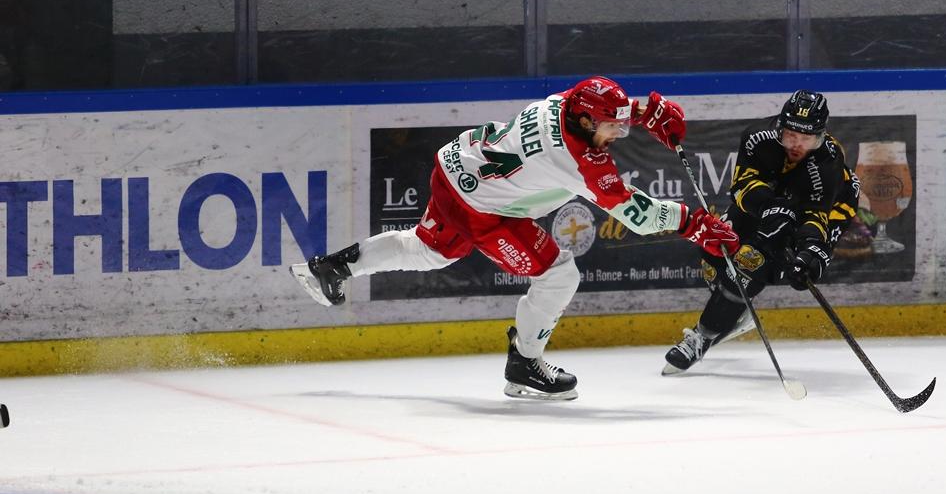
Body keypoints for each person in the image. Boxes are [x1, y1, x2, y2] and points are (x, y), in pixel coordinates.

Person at [291, 76, 739, 401]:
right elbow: (634, 213)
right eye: (611, 128)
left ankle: (334, 267)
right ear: (586, 121)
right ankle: (525, 363)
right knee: (559, 274)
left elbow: (597, 105)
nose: (616, 135)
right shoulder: (580, 160)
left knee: (428, 250)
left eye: (620, 127)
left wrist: (642, 115)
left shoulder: (564, 102)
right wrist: (693, 224)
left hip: (455, 168)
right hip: (482, 208)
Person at [663, 90, 860, 374]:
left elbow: (815, 215)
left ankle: (702, 336)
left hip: (830, 208)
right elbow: (741, 186)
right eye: (791, 135)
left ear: (820, 137)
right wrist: (770, 207)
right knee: (714, 250)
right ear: (780, 127)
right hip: (770, 200)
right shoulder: (757, 137)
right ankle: (734, 308)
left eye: (806, 139)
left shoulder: (828, 161)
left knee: (748, 265)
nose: (797, 144)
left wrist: (810, 252)